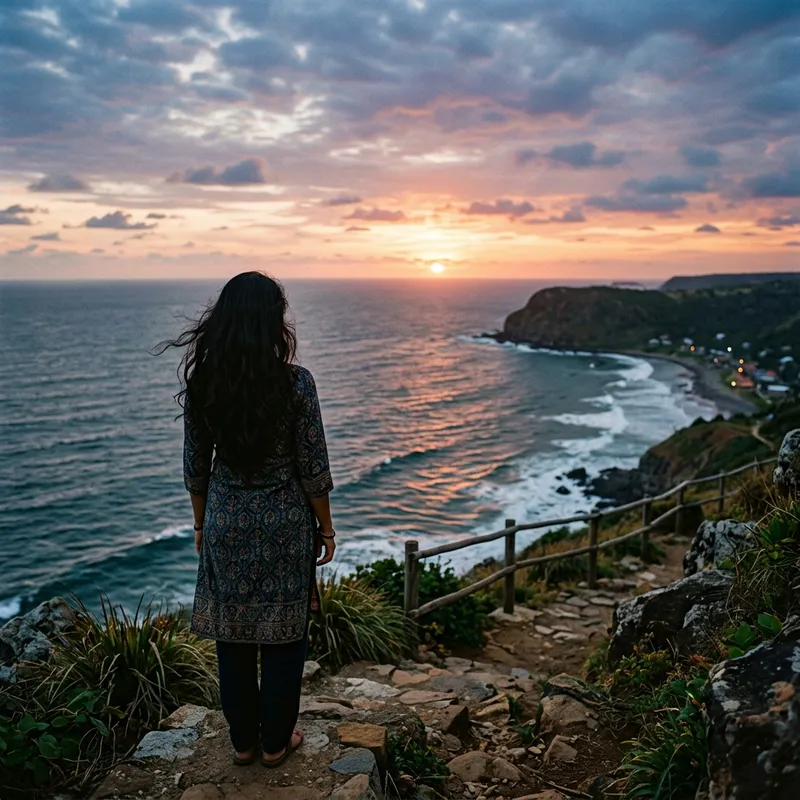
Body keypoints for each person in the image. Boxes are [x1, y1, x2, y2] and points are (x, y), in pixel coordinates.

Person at [161, 271, 335, 767]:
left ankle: (242, 743)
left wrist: (200, 525)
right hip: (284, 524)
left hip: (225, 521)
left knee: (231, 638)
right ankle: (277, 742)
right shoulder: (296, 383)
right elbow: (313, 469)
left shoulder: (206, 384)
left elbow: (196, 468)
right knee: (285, 638)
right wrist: (326, 529)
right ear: (271, 322)